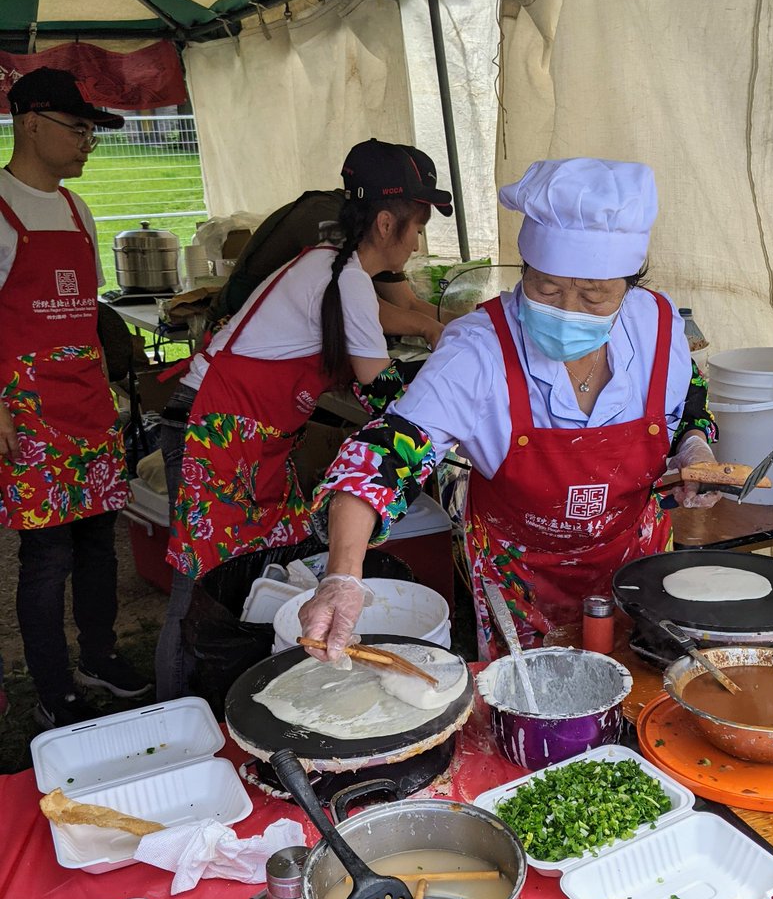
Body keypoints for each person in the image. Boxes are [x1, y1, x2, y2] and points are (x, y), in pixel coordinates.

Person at [298, 157, 720, 661]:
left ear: (629, 286)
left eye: (594, 296)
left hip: (637, 570)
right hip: (519, 585)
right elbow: (381, 460)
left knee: (643, 691)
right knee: (532, 711)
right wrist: (343, 574)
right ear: (525, 269)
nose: (568, 309)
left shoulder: (659, 324)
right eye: (547, 288)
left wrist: (693, 444)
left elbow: (688, 398)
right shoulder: (479, 349)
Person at [155, 138, 453, 700]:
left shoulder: (332, 267)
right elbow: (383, 395)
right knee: (198, 588)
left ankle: (253, 687)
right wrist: (451, 400)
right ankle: (179, 710)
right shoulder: (340, 277)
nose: (417, 242)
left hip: (247, 439)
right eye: (417, 227)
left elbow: (386, 319)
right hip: (213, 434)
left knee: (266, 571)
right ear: (387, 223)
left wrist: (436, 331)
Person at [0, 67, 149, 728]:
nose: (89, 141)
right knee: (47, 554)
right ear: (31, 122)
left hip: (87, 402)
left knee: (97, 543)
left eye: (93, 130)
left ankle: (99, 656)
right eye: (79, 128)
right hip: (27, 408)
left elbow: (85, 308)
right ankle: (53, 685)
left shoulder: (75, 208)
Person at [208, 146, 453, 348]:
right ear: (387, 218)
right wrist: (425, 326)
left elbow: (406, 303)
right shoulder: (327, 221)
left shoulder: (373, 235)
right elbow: (354, 304)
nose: (415, 245)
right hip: (236, 337)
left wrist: (472, 323)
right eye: (416, 227)